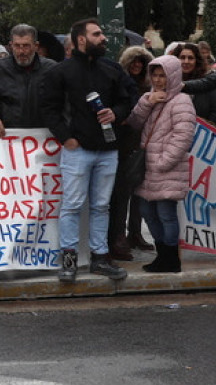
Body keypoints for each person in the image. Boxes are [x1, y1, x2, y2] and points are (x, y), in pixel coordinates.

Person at [39, 18, 135, 283]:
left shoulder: (111, 69)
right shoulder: (61, 72)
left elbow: (127, 100)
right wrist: (66, 138)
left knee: (102, 206)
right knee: (71, 205)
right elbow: (48, 107)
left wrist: (115, 113)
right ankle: (68, 262)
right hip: (77, 150)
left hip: (108, 149)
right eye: (97, 34)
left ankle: (100, 258)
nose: (103, 38)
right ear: (81, 39)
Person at [126, 54, 197, 274]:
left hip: (166, 168)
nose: (157, 80)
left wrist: (164, 161)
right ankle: (162, 255)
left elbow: (183, 136)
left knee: (166, 214)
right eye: (154, 75)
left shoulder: (181, 101)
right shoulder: (150, 98)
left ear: (172, 76)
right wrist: (147, 102)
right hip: (147, 168)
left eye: (162, 76)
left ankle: (171, 258)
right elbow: (134, 122)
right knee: (147, 211)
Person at [108, 45, 153, 261]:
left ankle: (135, 232)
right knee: (121, 194)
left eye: (141, 63)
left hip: (143, 144)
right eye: (133, 61)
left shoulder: (150, 87)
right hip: (123, 144)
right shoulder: (119, 84)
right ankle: (119, 236)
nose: (137, 66)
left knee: (139, 193)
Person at [0, 24, 57, 136]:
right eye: (17, 46)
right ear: (11, 46)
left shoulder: (51, 69)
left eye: (26, 46)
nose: (21, 51)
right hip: (7, 138)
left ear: (36, 46)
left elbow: (64, 103)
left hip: (44, 137)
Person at [171, 42, 216, 133]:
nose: (186, 61)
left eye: (190, 58)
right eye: (182, 57)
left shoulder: (207, 82)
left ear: (197, 61)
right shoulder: (169, 82)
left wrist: (204, 126)